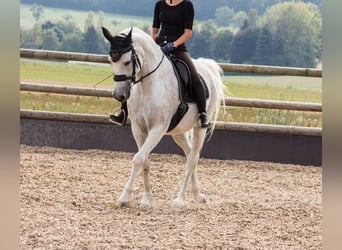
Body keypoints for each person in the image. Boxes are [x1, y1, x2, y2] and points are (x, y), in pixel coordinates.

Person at [109, 0, 210, 128]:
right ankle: (124, 111)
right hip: (159, 48)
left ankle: (202, 113)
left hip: (178, 48)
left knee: (194, 76)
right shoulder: (160, 4)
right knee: (134, 73)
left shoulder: (187, 5)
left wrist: (173, 45)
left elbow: (188, 33)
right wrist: (154, 46)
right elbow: (154, 30)